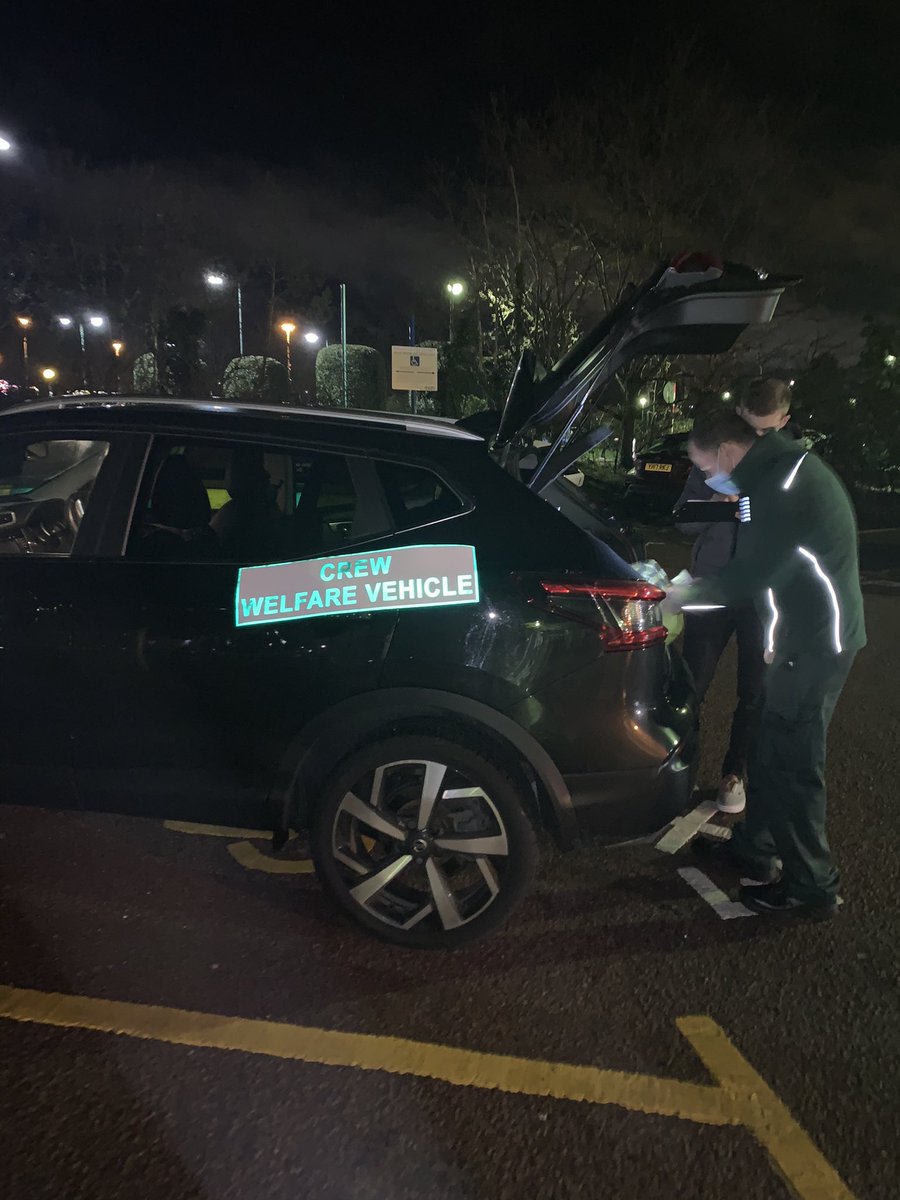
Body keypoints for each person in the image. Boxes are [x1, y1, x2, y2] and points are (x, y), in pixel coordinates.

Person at [665, 410, 866, 919]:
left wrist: (676, 597)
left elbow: (747, 577)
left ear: (728, 453)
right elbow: (767, 570)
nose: (707, 479)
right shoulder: (774, 474)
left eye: (705, 468)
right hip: (799, 636)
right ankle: (755, 847)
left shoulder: (781, 487)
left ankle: (811, 887)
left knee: (794, 764)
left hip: (816, 643)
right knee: (770, 746)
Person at [675, 379, 798, 813]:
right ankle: (678, 770)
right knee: (692, 685)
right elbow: (684, 521)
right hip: (713, 586)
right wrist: (717, 494)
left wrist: (746, 506)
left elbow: (786, 530)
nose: (754, 439)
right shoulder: (713, 456)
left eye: (765, 431)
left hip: (761, 598)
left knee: (755, 691)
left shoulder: (788, 466)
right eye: (748, 426)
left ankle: (734, 774)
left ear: (784, 422)